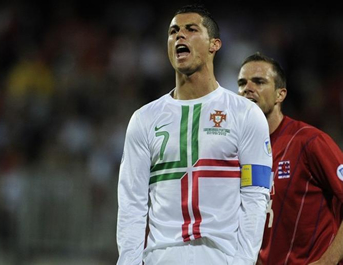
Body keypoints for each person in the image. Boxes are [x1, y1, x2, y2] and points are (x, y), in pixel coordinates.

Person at [116, 4, 272, 265]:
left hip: (221, 257)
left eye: (191, 29)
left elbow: (256, 195)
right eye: (173, 31)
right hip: (160, 257)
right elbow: (132, 201)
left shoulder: (246, 115)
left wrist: (244, 261)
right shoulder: (144, 120)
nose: (179, 36)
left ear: (215, 44)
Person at [237, 52, 343, 265]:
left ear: (280, 94)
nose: (247, 88)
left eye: (259, 81)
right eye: (241, 83)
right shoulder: (238, 154)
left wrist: (327, 261)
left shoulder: (309, 142)